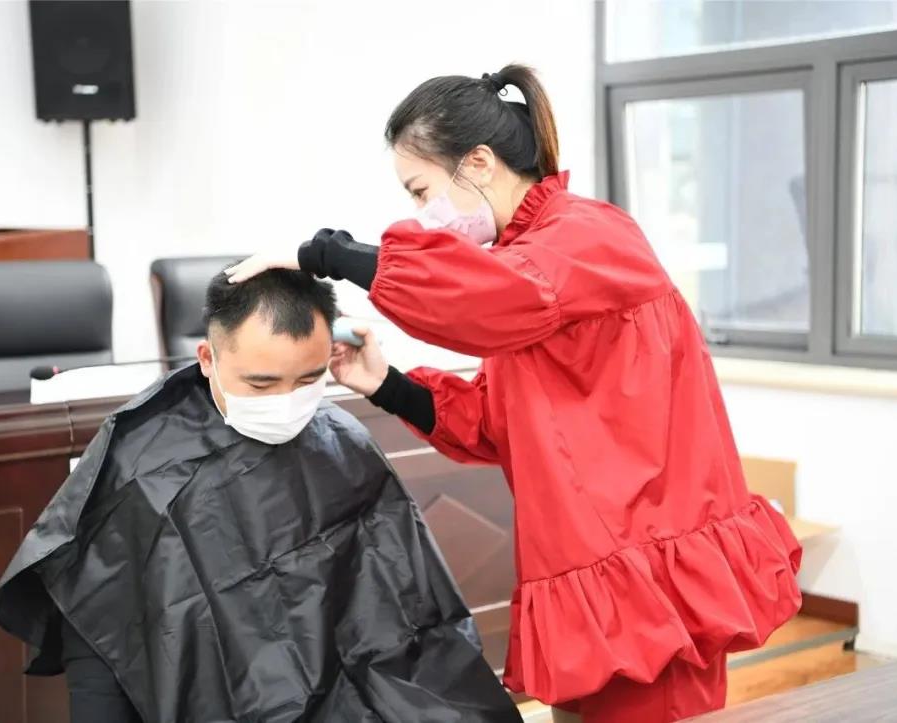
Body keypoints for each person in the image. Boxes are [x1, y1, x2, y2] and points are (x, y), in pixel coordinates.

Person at [226, 64, 803, 723]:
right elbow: (495, 423)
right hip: (592, 578)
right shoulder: (525, 268)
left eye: (421, 191)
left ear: (478, 162)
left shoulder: (586, 239)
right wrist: (385, 383)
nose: (421, 215)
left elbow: (474, 296)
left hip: (647, 578)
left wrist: (326, 255)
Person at [0, 269, 522, 723]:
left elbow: (412, 616)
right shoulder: (140, 473)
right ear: (207, 358)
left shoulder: (342, 440)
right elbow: (102, 622)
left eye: (308, 379)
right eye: (261, 385)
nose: (286, 402)